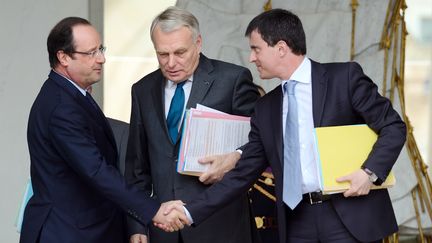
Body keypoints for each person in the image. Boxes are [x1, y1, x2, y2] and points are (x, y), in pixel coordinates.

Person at [182, 9, 407, 243]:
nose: (251, 58)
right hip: (297, 221)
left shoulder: (344, 77)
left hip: (349, 216)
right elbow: (242, 173)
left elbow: (393, 126)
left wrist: (368, 173)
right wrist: (189, 212)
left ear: (281, 48)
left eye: (256, 48)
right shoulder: (266, 107)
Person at [21, 16, 186, 243]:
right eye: (91, 53)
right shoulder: (61, 107)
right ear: (63, 57)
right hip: (66, 232)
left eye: (101, 49)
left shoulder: (72, 94)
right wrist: (153, 210)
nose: (102, 59)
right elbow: (96, 171)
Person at [125, 6, 260, 243]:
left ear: (198, 43)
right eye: (162, 54)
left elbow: (260, 142)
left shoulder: (233, 80)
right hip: (163, 228)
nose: (171, 62)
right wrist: (137, 224)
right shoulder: (142, 90)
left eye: (180, 52)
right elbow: (137, 167)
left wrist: (235, 157)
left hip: (220, 226)